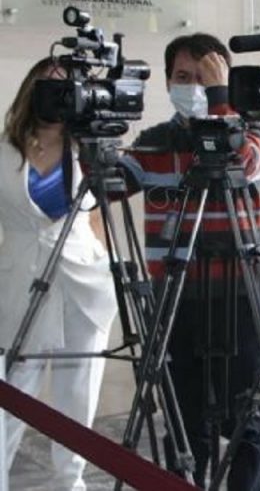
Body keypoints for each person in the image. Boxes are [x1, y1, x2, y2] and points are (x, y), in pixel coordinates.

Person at [117, 34, 260, 490]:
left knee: (245, 421)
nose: (194, 87)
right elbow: (105, 188)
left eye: (204, 78)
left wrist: (222, 101)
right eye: (183, 78)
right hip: (176, 297)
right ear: (167, 83)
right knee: (184, 422)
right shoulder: (154, 143)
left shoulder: (249, 129)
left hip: (240, 293)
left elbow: (243, 159)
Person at [0, 58, 119, 490]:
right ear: (30, 91)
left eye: (66, 88)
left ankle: (69, 481)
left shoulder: (89, 148)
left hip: (81, 281)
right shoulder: (4, 149)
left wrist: (103, 259)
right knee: (12, 389)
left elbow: (100, 214)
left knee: (78, 392)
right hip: (18, 281)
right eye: (47, 86)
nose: (56, 95)